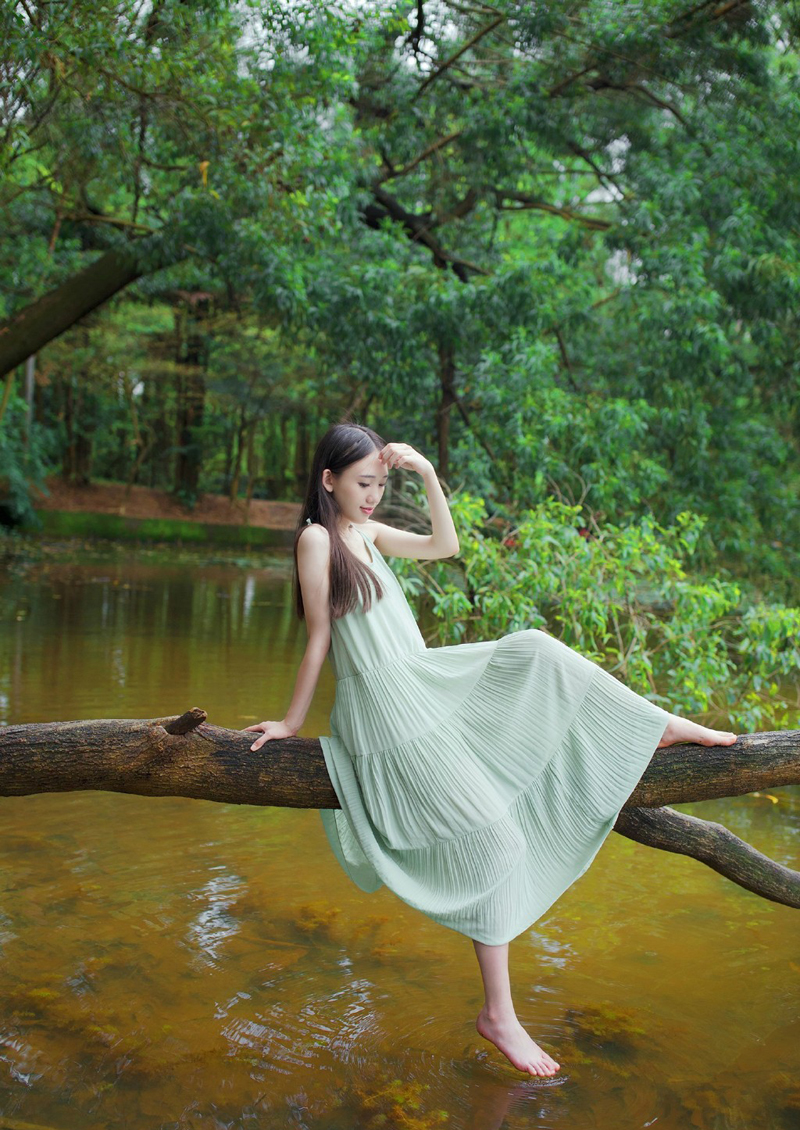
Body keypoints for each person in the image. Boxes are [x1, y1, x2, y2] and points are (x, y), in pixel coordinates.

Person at [243, 420, 737, 1078]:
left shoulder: (368, 533)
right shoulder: (315, 539)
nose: (373, 496)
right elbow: (317, 642)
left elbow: (444, 545)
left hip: (422, 684)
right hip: (387, 712)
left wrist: (424, 472)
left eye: (382, 485)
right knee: (496, 840)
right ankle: (499, 1015)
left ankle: (657, 723)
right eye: (364, 484)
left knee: (533, 648)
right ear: (328, 480)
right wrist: (290, 722)